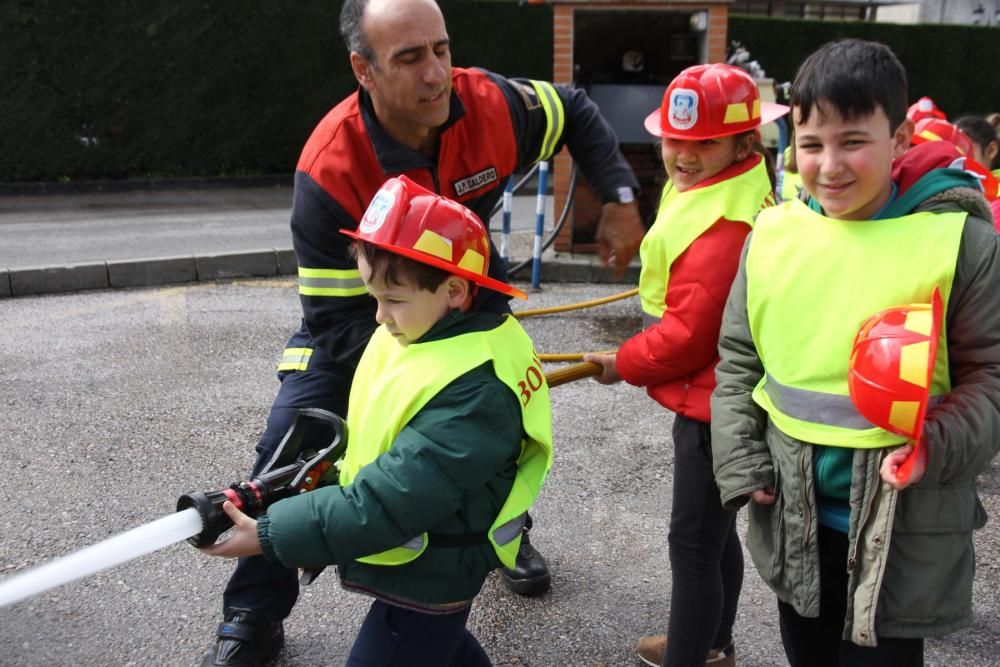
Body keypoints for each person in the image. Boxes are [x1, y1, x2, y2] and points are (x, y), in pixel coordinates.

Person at [200, 0, 644, 664]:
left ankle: (499, 536)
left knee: (482, 435)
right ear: (364, 69)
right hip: (368, 320)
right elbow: (340, 320)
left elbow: (574, 108)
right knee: (289, 449)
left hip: (460, 310)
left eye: (441, 49)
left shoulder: (490, 104)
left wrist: (620, 197)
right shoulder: (331, 168)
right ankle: (253, 615)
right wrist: (410, 389)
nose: (437, 74)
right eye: (410, 57)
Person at [711, 38, 1000, 667]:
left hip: (902, 530)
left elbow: (991, 378)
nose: (830, 165)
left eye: (853, 142)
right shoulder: (775, 236)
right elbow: (738, 360)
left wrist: (936, 444)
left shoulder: (961, 241)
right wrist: (743, 461)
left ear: (898, 140)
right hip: (796, 522)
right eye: (812, 145)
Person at [200, 175, 553, 667]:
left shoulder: (476, 388)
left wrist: (271, 534)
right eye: (373, 297)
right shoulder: (424, 330)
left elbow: (390, 501)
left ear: (454, 290)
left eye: (393, 299)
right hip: (426, 547)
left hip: (434, 566)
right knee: (442, 651)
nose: (379, 316)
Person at [583, 63, 788, 667]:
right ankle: (714, 645)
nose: (683, 157)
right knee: (715, 537)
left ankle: (691, 655)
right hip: (723, 398)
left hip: (711, 409)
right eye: (674, 140)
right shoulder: (735, 186)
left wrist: (621, 361)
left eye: (703, 144)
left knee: (694, 546)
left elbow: (687, 337)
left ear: (743, 143)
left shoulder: (725, 224)